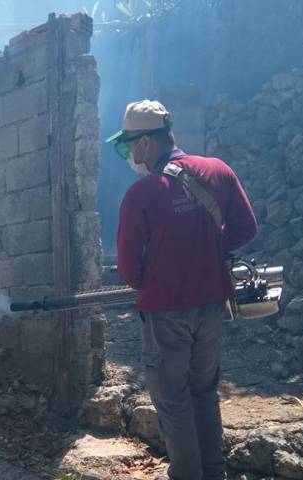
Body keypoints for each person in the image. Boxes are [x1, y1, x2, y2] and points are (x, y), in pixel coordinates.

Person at [106, 100, 257, 480]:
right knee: (204, 392)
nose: (131, 155)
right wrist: (209, 256)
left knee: (172, 400)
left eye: (129, 145)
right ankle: (214, 473)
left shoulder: (142, 194)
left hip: (166, 312)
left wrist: (153, 281)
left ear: (145, 143)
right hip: (211, 305)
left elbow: (128, 268)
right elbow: (246, 228)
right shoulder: (218, 171)